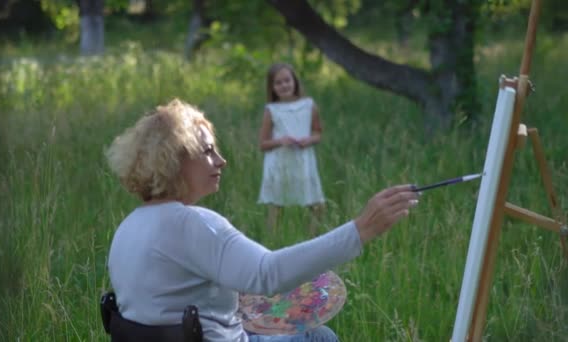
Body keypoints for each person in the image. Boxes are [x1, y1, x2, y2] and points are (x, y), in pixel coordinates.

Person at [104, 99, 419, 342]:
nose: (221, 160)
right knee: (319, 337)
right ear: (176, 159)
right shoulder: (193, 223)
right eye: (208, 151)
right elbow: (268, 274)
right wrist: (361, 229)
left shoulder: (129, 226)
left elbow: (170, 297)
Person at [257, 63, 325, 235]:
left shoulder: (309, 105)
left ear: (294, 81)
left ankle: (312, 240)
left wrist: (308, 140)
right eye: (278, 83)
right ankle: (272, 244)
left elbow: (318, 132)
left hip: (303, 162)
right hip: (280, 163)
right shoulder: (271, 110)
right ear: (272, 87)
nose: (284, 85)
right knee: (277, 207)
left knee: (316, 205)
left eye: (287, 80)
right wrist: (281, 141)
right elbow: (263, 144)